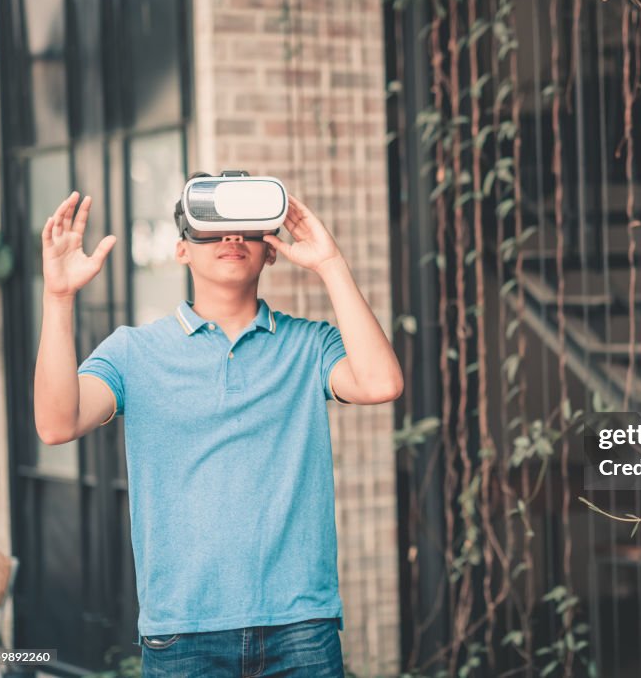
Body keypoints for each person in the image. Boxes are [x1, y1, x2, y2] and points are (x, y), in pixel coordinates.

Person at [33, 180, 403, 677]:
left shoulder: (310, 345)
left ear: (269, 252)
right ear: (182, 248)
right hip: (183, 631)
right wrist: (58, 298)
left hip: (301, 626)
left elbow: (381, 383)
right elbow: (56, 425)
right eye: (212, 229)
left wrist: (331, 265)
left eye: (247, 229)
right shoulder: (132, 352)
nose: (231, 239)